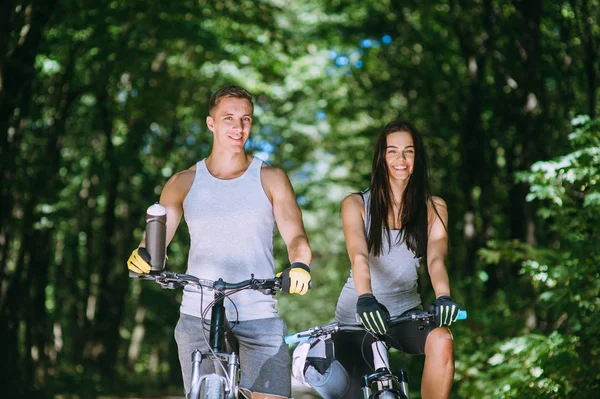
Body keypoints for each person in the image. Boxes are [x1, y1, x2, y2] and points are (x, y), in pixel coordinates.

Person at [127, 85, 312, 399]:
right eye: (229, 118)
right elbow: (156, 241)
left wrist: (300, 265)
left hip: (259, 312)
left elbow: (296, 237)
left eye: (246, 119)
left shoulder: (271, 178)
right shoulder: (183, 182)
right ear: (211, 123)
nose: (238, 127)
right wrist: (144, 256)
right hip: (197, 312)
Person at [333, 120, 460, 399]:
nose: (400, 159)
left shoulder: (433, 207)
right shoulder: (355, 204)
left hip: (405, 313)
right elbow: (359, 256)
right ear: (381, 157)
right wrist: (365, 298)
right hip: (359, 314)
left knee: (443, 339)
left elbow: (436, 259)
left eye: (408, 151)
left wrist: (443, 296)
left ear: (417, 158)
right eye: (392, 151)